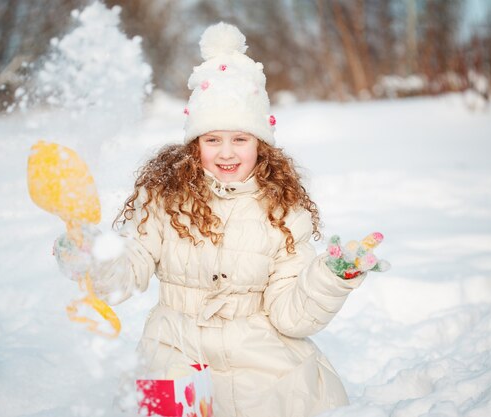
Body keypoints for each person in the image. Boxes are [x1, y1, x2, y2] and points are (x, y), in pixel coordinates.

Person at [54, 22, 389, 417]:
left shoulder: (283, 209)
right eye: (212, 140)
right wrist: (95, 255)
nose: (226, 153)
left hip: (257, 361)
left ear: (260, 144)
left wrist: (331, 278)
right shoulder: (165, 197)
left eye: (240, 139)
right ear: (194, 144)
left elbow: (291, 315)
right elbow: (130, 266)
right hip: (175, 354)